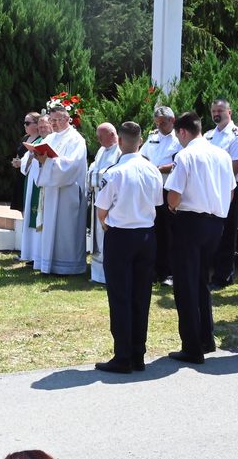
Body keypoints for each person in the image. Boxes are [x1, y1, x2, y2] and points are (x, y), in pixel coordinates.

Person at [162, 112, 234, 364]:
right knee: (202, 280)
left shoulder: (185, 155)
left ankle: (192, 346)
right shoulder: (222, 154)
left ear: (182, 132)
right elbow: (232, 191)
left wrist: (172, 208)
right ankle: (206, 337)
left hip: (190, 221)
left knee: (185, 285)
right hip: (215, 223)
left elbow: (174, 194)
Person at [93, 121, 159, 373]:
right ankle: (138, 354)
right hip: (145, 236)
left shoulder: (114, 172)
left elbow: (102, 210)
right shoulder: (151, 169)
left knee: (120, 296)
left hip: (121, 236)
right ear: (140, 141)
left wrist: (107, 222)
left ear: (120, 142)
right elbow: (156, 202)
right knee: (141, 296)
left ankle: (123, 356)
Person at [32, 105, 88, 275]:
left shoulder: (76, 139)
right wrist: (38, 158)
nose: (53, 124)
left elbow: (71, 165)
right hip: (51, 191)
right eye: (51, 120)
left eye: (55, 120)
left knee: (65, 229)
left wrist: (47, 162)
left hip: (67, 192)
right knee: (50, 227)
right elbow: (42, 158)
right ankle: (47, 263)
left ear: (66, 119)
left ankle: (67, 266)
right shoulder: (52, 138)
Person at [205, 98, 238, 288]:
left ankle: (224, 276)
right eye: (213, 111)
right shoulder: (207, 135)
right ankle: (211, 272)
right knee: (211, 231)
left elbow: (235, 166)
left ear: (229, 112)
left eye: (220, 111)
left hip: (229, 187)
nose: (216, 114)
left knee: (227, 231)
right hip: (209, 187)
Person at [141, 105, 181, 284]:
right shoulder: (152, 137)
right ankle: (155, 269)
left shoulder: (179, 139)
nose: (159, 127)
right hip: (152, 189)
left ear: (172, 120)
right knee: (154, 230)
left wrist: (158, 168)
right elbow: (142, 156)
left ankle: (169, 272)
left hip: (168, 188)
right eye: (157, 123)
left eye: (163, 123)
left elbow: (178, 164)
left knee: (169, 232)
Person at [87, 123, 120, 284]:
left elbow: (114, 174)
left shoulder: (119, 150)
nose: (98, 139)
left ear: (112, 134)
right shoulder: (101, 150)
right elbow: (94, 167)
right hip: (97, 197)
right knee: (97, 236)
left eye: (101, 136)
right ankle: (98, 275)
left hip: (110, 200)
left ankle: (109, 274)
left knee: (106, 234)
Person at [19, 114, 50, 265]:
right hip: (32, 185)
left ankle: (39, 255)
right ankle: (31, 254)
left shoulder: (53, 142)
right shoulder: (37, 141)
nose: (42, 129)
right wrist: (32, 154)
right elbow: (24, 167)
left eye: (45, 126)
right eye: (41, 126)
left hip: (45, 186)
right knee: (32, 219)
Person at [10, 112, 41, 212]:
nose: (25, 125)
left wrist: (22, 163)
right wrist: (16, 162)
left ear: (36, 125)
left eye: (27, 123)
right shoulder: (25, 138)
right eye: (24, 123)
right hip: (20, 176)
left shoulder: (40, 140)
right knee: (21, 207)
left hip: (30, 177)